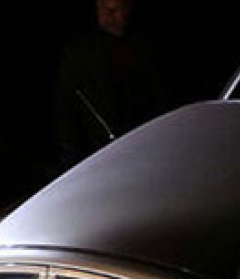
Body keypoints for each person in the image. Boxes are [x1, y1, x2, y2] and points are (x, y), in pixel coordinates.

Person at [54, 0, 165, 167]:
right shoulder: (79, 52)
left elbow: (160, 98)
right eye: (102, 8)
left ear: (128, 8)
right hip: (95, 155)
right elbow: (65, 106)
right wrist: (70, 151)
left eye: (114, 9)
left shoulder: (144, 47)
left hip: (142, 147)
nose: (107, 16)